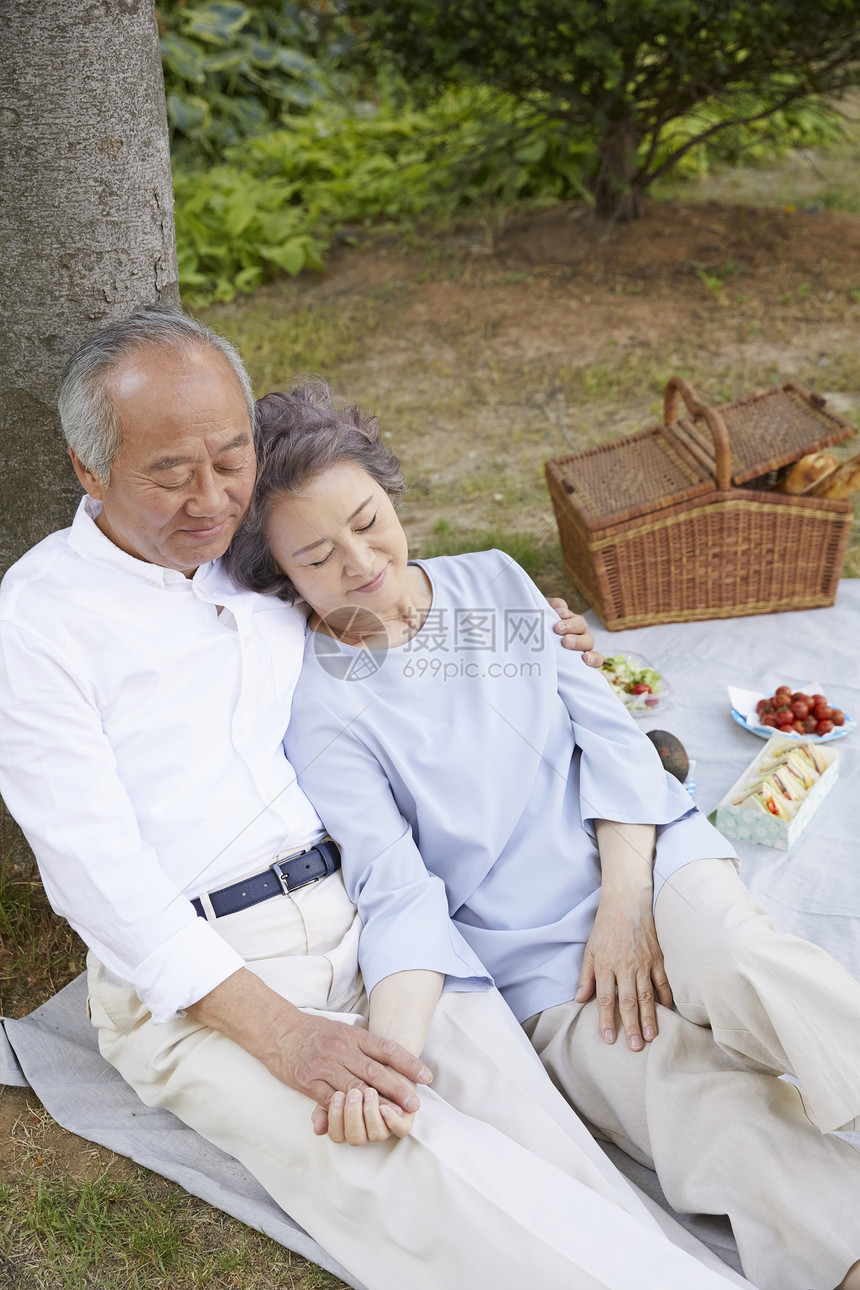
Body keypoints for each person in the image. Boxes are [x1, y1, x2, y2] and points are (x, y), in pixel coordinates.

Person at [0, 306, 753, 1290]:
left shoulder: (249, 560)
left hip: (377, 922)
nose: (211, 498)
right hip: (210, 977)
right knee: (428, 1175)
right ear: (89, 470)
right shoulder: (39, 626)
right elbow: (97, 881)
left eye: (231, 459)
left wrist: (533, 628)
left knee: (550, 1147)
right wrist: (286, 1036)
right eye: (169, 471)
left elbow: (391, 603)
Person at [224, 379, 860, 1290]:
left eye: (368, 520)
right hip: (535, 960)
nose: (361, 562)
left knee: (742, 965)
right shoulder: (321, 708)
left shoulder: (492, 578)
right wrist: (393, 1060)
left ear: (392, 494)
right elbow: (395, 886)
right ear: (284, 577)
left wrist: (625, 903)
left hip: (643, 848)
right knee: (684, 1098)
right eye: (318, 556)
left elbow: (610, 738)